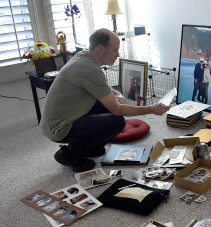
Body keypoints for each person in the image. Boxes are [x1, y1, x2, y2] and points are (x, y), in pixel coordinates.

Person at [40, 28, 169, 172]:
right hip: (59, 128)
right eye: (115, 50)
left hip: (60, 118)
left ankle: (88, 147)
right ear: (101, 49)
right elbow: (117, 110)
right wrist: (152, 109)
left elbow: (102, 87)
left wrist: (118, 94)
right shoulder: (89, 69)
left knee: (106, 106)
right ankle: (69, 153)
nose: (118, 54)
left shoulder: (83, 56)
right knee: (117, 122)